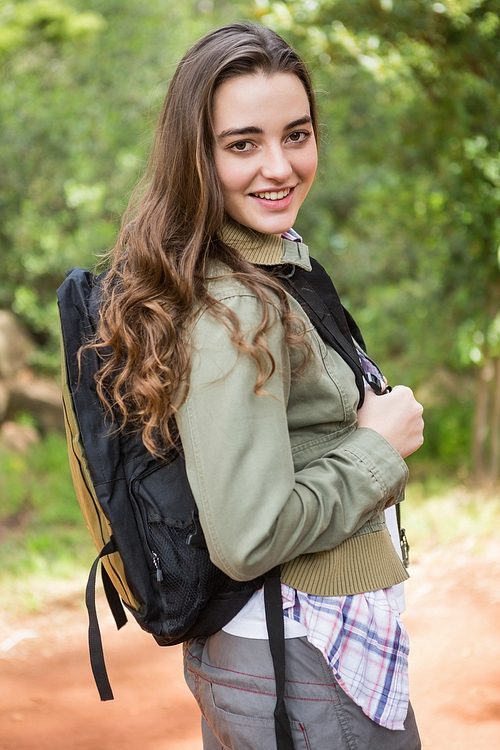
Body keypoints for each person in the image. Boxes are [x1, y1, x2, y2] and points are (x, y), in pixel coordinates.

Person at [95, 21, 424, 750]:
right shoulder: (235, 304)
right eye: (242, 143)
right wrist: (379, 446)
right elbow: (248, 539)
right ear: (198, 157)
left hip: (280, 649)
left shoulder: (259, 265)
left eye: (297, 135)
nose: (279, 166)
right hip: (295, 653)